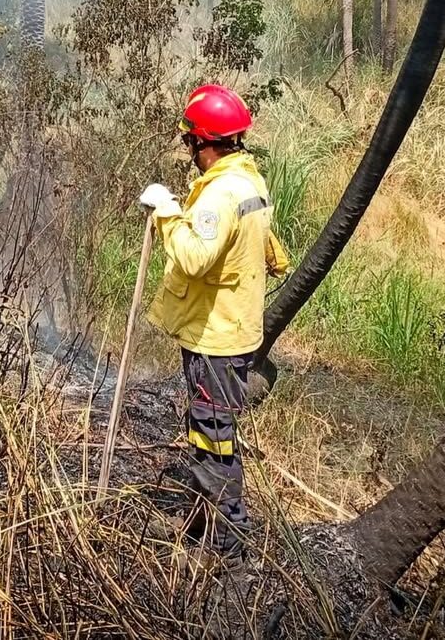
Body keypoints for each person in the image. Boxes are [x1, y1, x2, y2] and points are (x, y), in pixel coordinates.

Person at [140, 84, 289, 559]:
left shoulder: (220, 193)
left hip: (216, 337)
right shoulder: (250, 182)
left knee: (212, 433)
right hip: (235, 327)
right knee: (211, 426)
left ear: (206, 143)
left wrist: (167, 214)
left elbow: (193, 256)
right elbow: (262, 247)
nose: (191, 152)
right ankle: (208, 522)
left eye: (192, 143)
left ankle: (228, 538)